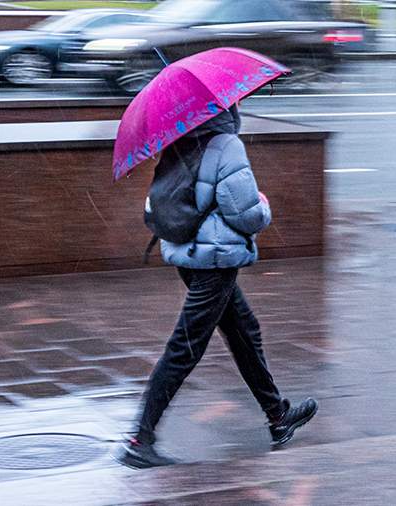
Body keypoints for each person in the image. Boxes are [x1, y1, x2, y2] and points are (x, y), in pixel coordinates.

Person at [115, 105, 317, 469]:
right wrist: (264, 206)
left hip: (189, 254)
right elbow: (245, 213)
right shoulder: (225, 145)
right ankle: (139, 439)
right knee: (185, 348)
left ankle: (277, 416)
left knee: (244, 331)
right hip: (215, 260)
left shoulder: (180, 139)